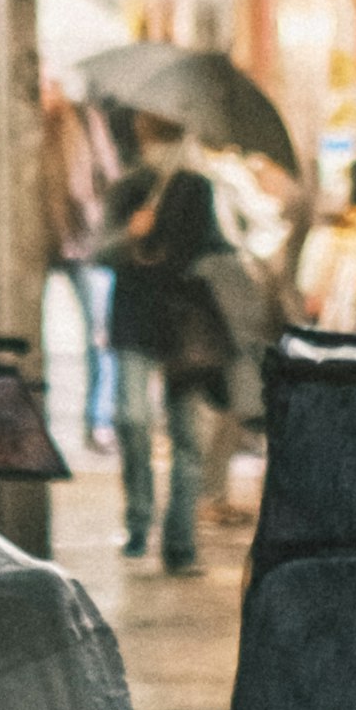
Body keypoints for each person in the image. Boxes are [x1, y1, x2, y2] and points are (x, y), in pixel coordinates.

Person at [96, 116, 232, 572]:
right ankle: (138, 521)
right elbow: (99, 251)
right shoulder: (129, 188)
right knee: (132, 421)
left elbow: (216, 250)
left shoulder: (196, 189)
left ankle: (180, 544)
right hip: (134, 318)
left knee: (187, 438)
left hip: (182, 328)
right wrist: (131, 234)